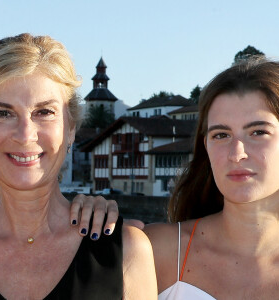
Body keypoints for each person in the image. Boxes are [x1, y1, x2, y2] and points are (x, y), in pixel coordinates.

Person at [75, 58, 279, 299]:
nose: (236, 154)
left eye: (258, 132)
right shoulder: (153, 250)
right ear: (206, 146)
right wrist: (82, 220)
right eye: (221, 135)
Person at [0, 33, 157, 299]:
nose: (25, 134)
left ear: (71, 128)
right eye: (3, 113)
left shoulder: (127, 251)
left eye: (44, 112)